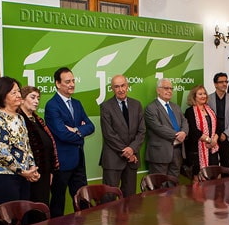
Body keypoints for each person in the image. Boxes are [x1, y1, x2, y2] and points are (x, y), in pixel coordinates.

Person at [45, 67, 95, 216]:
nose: (72, 84)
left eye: (73, 81)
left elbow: (91, 126)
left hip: (79, 160)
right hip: (61, 162)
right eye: (67, 82)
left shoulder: (77, 103)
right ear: (58, 84)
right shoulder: (52, 105)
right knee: (58, 202)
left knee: (82, 200)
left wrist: (76, 130)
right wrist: (80, 131)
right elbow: (62, 134)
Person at [0, 77, 39, 209]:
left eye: (18, 91)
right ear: (3, 96)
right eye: (13, 93)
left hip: (23, 176)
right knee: (8, 220)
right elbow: (1, 152)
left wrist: (32, 168)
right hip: (3, 178)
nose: (18, 95)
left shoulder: (20, 117)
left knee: (23, 219)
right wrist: (23, 171)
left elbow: (26, 146)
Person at [99, 75, 145, 196]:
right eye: (117, 87)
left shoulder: (137, 105)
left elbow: (141, 131)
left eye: (123, 85)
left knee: (130, 199)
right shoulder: (106, 106)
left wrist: (132, 149)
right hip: (113, 160)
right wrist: (127, 152)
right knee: (108, 198)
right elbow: (109, 134)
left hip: (132, 160)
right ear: (112, 89)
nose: (121, 89)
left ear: (127, 86)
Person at [19, 85, 59, 205]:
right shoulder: (19, 120)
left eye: (38, 98)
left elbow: (49, 144)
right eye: (33, 97)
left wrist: (50, 171)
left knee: (43, 208)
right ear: (22, 99)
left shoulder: (38, 120)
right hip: (30, 174)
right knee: (32, 209)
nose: (36, 101)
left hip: (45, 172)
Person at [145, 78, 187, 178]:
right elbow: (158, 127)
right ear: (158, 90)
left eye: (171, 88)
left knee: (173, 185)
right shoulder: (151, 108)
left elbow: (184, 121)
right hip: (160, 154)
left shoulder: (176, 107)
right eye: (166, 88)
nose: (169, 91)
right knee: (159, 187)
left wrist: (184, 132)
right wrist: (177, 135)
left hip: (177, 152)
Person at [183, 85, 219, 180]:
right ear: (194, 97)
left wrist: (214, 140)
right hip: (197, 151)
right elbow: (193, 131)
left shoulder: (210, 110)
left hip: (213, 149)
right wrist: (209, 140)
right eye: (200, 94)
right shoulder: (190, 111)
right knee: (198, 179)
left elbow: (217, 128)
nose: (203, 96)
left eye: (204, 94)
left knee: (214, 176)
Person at [210, 72, 229, 169]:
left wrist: (226, 134)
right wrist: (215, 135)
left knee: (226, 167)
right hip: (212, 137)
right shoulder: (208, 99)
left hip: (228, 137)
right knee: (213, 167)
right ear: (215, 84)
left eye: (226, 81)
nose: (224, 84)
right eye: (221, 82)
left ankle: (226, 184)